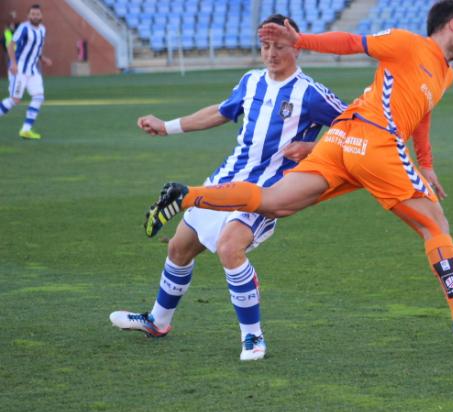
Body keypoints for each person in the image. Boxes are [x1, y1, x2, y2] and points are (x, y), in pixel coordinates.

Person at [145, 0, 453, 344]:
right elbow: (351, 42)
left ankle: (187, 195)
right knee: (434, 227)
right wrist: (301, 39)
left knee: (274, 203)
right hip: (375, 141)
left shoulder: (444, 75)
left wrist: (427, 163)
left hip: (343, 141)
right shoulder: (407, 43)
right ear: (452, 25)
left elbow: (423, 111)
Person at [109, 14, 346, 361]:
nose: (270, 54)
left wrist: (313, 149)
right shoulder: (251, 82)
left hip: (268, 192)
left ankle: (253, 337)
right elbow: (220, 112)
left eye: (279, 46)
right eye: (265, 46)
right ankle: (157, 321)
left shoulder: (310, 93)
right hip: (224, 181)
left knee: (228, 248)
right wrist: (168, 126)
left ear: (296, 47)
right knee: (179, 248)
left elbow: (356, 128)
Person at [0, 4, 52, 140]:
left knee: (39, 97)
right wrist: (14, 63)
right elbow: (10, 44)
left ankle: (26, 130)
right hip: (20, 68)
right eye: (33, 14)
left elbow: (36, 48)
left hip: (33, 69)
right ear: (28, 16)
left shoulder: (42, 30)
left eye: (37, 14)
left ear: (41, 16)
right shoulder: (24, 28)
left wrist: (43, 58)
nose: (35, 16)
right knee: (15, 100)